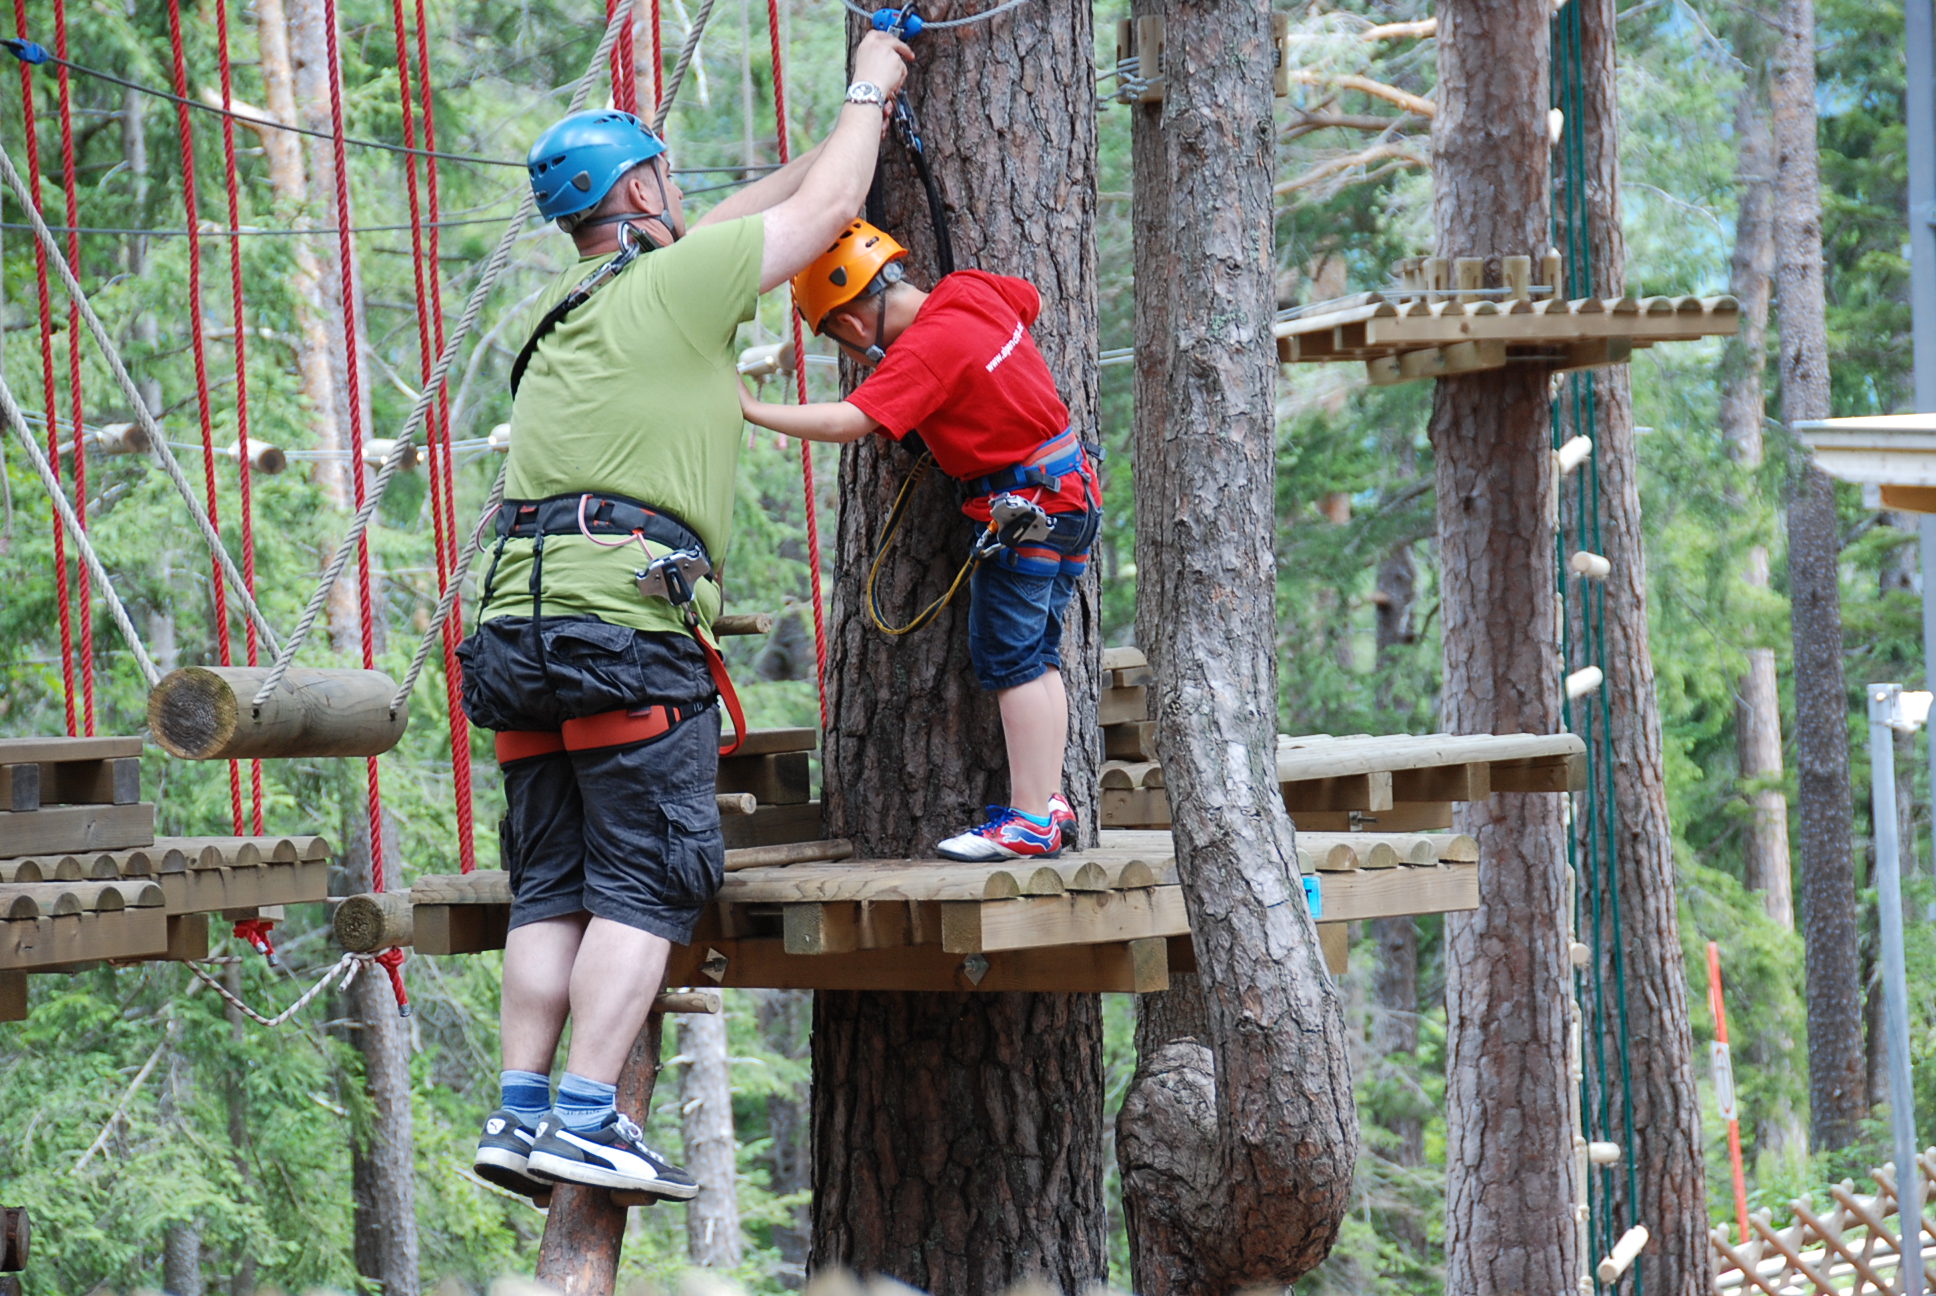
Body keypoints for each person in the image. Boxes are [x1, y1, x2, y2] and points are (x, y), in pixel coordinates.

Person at [458, 34, 913, 1201]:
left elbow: (762, 205)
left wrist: (834, 138)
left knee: (552, 880)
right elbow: (827, 207)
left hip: (518, 630)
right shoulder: (678, 281)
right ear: (643, 191)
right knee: (645, 877)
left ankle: (519, 1111)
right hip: (622, 631)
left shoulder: (568, 306)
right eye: (664, 177)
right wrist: (872, 81)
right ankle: (588, 1116)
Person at [737, 221, 1100, 862]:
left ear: (850, 326)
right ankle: (1046, 802)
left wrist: (752, 408)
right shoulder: (967, 291)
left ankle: (1029, 820)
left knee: (1010, 659)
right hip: (1071, 491)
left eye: (842, 344)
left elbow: (850, 421)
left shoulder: (920, 355)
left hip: (1025, 505)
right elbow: (1029, 301)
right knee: (1039, 656)